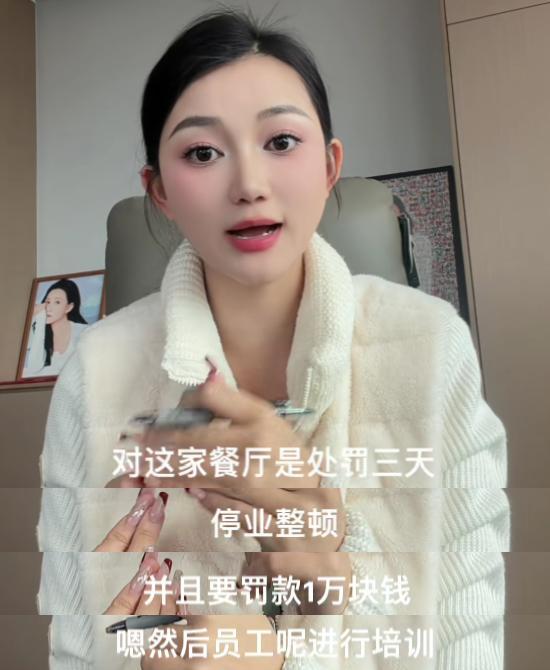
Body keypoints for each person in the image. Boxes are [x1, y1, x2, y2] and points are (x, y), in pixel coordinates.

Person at [36, 6, 510, 670]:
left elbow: (467, 646)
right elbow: (77, 650)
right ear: (159, 191)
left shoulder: (431, 347)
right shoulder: (94, 372)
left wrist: (309, 627)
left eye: (281, 141)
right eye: (202, 153)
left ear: (329, 166)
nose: (249, 186)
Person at [23, 278, 88, 377]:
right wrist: (40, 319)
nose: (49, 308)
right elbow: (33, 368)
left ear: (69, 307)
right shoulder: (36, 330)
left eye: (57, 302)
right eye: (48, 302)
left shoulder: (84, 332)